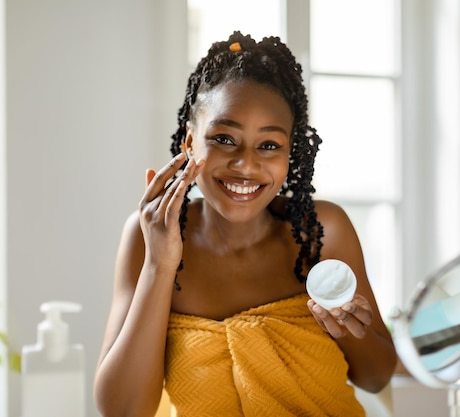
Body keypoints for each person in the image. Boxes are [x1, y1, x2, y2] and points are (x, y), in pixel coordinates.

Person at [94, 31, 396, 417]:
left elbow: (376, 378)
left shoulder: (320, 231)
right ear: (189, 143)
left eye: (269, 145)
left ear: (291, 152)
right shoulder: (146, 234)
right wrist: (160, 263)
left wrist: (348, 333)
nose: (246, 164)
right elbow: (121, 412)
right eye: (224, 138)